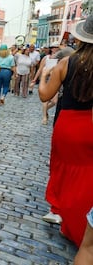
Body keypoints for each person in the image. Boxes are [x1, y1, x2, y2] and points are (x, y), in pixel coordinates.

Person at [38, 15, 93, 247]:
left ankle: (65, 217)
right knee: (86, 175)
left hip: (68, 124)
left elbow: (44, 95)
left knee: (63, 170)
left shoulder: (66, 63)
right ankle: (84, 227)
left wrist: (43, 78)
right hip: (90, 124)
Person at [31, 42, 60, 125]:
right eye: (54, 47)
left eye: (57, 47)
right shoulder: (46, 58)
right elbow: (40, 69)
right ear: (51, 48)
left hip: (55, 79)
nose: (56, 49)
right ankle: (44, 117)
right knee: (45, 99)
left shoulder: (60, 58)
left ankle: (45, 109)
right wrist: (34, 79)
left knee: (55, 101)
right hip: (46, 79)